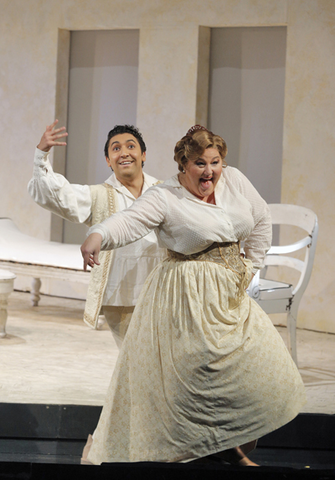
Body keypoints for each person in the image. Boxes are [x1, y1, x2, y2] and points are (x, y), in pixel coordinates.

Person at [80, 125, 306, 466]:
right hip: (185, 296)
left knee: (258, 368)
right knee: (199, 377)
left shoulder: (234, 181)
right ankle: (218, 454)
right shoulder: (164, 195)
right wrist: (97, 235)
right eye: (200, 163)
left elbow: (260, 220)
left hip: (229, 293)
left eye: (215, 162)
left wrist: (251, 266)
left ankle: (236, 448)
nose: (210, 171)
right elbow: (128, 221)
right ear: (183, 165)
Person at [28, 120, 166, 348]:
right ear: (108, 160)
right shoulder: (98, 195)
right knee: (134, 362)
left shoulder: (164, 191)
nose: (124, 153)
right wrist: (41, 154)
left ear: (143, 155)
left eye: (131, 146)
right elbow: (52, 194)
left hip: (163, 293)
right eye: (116, 148)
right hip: (121, 296)